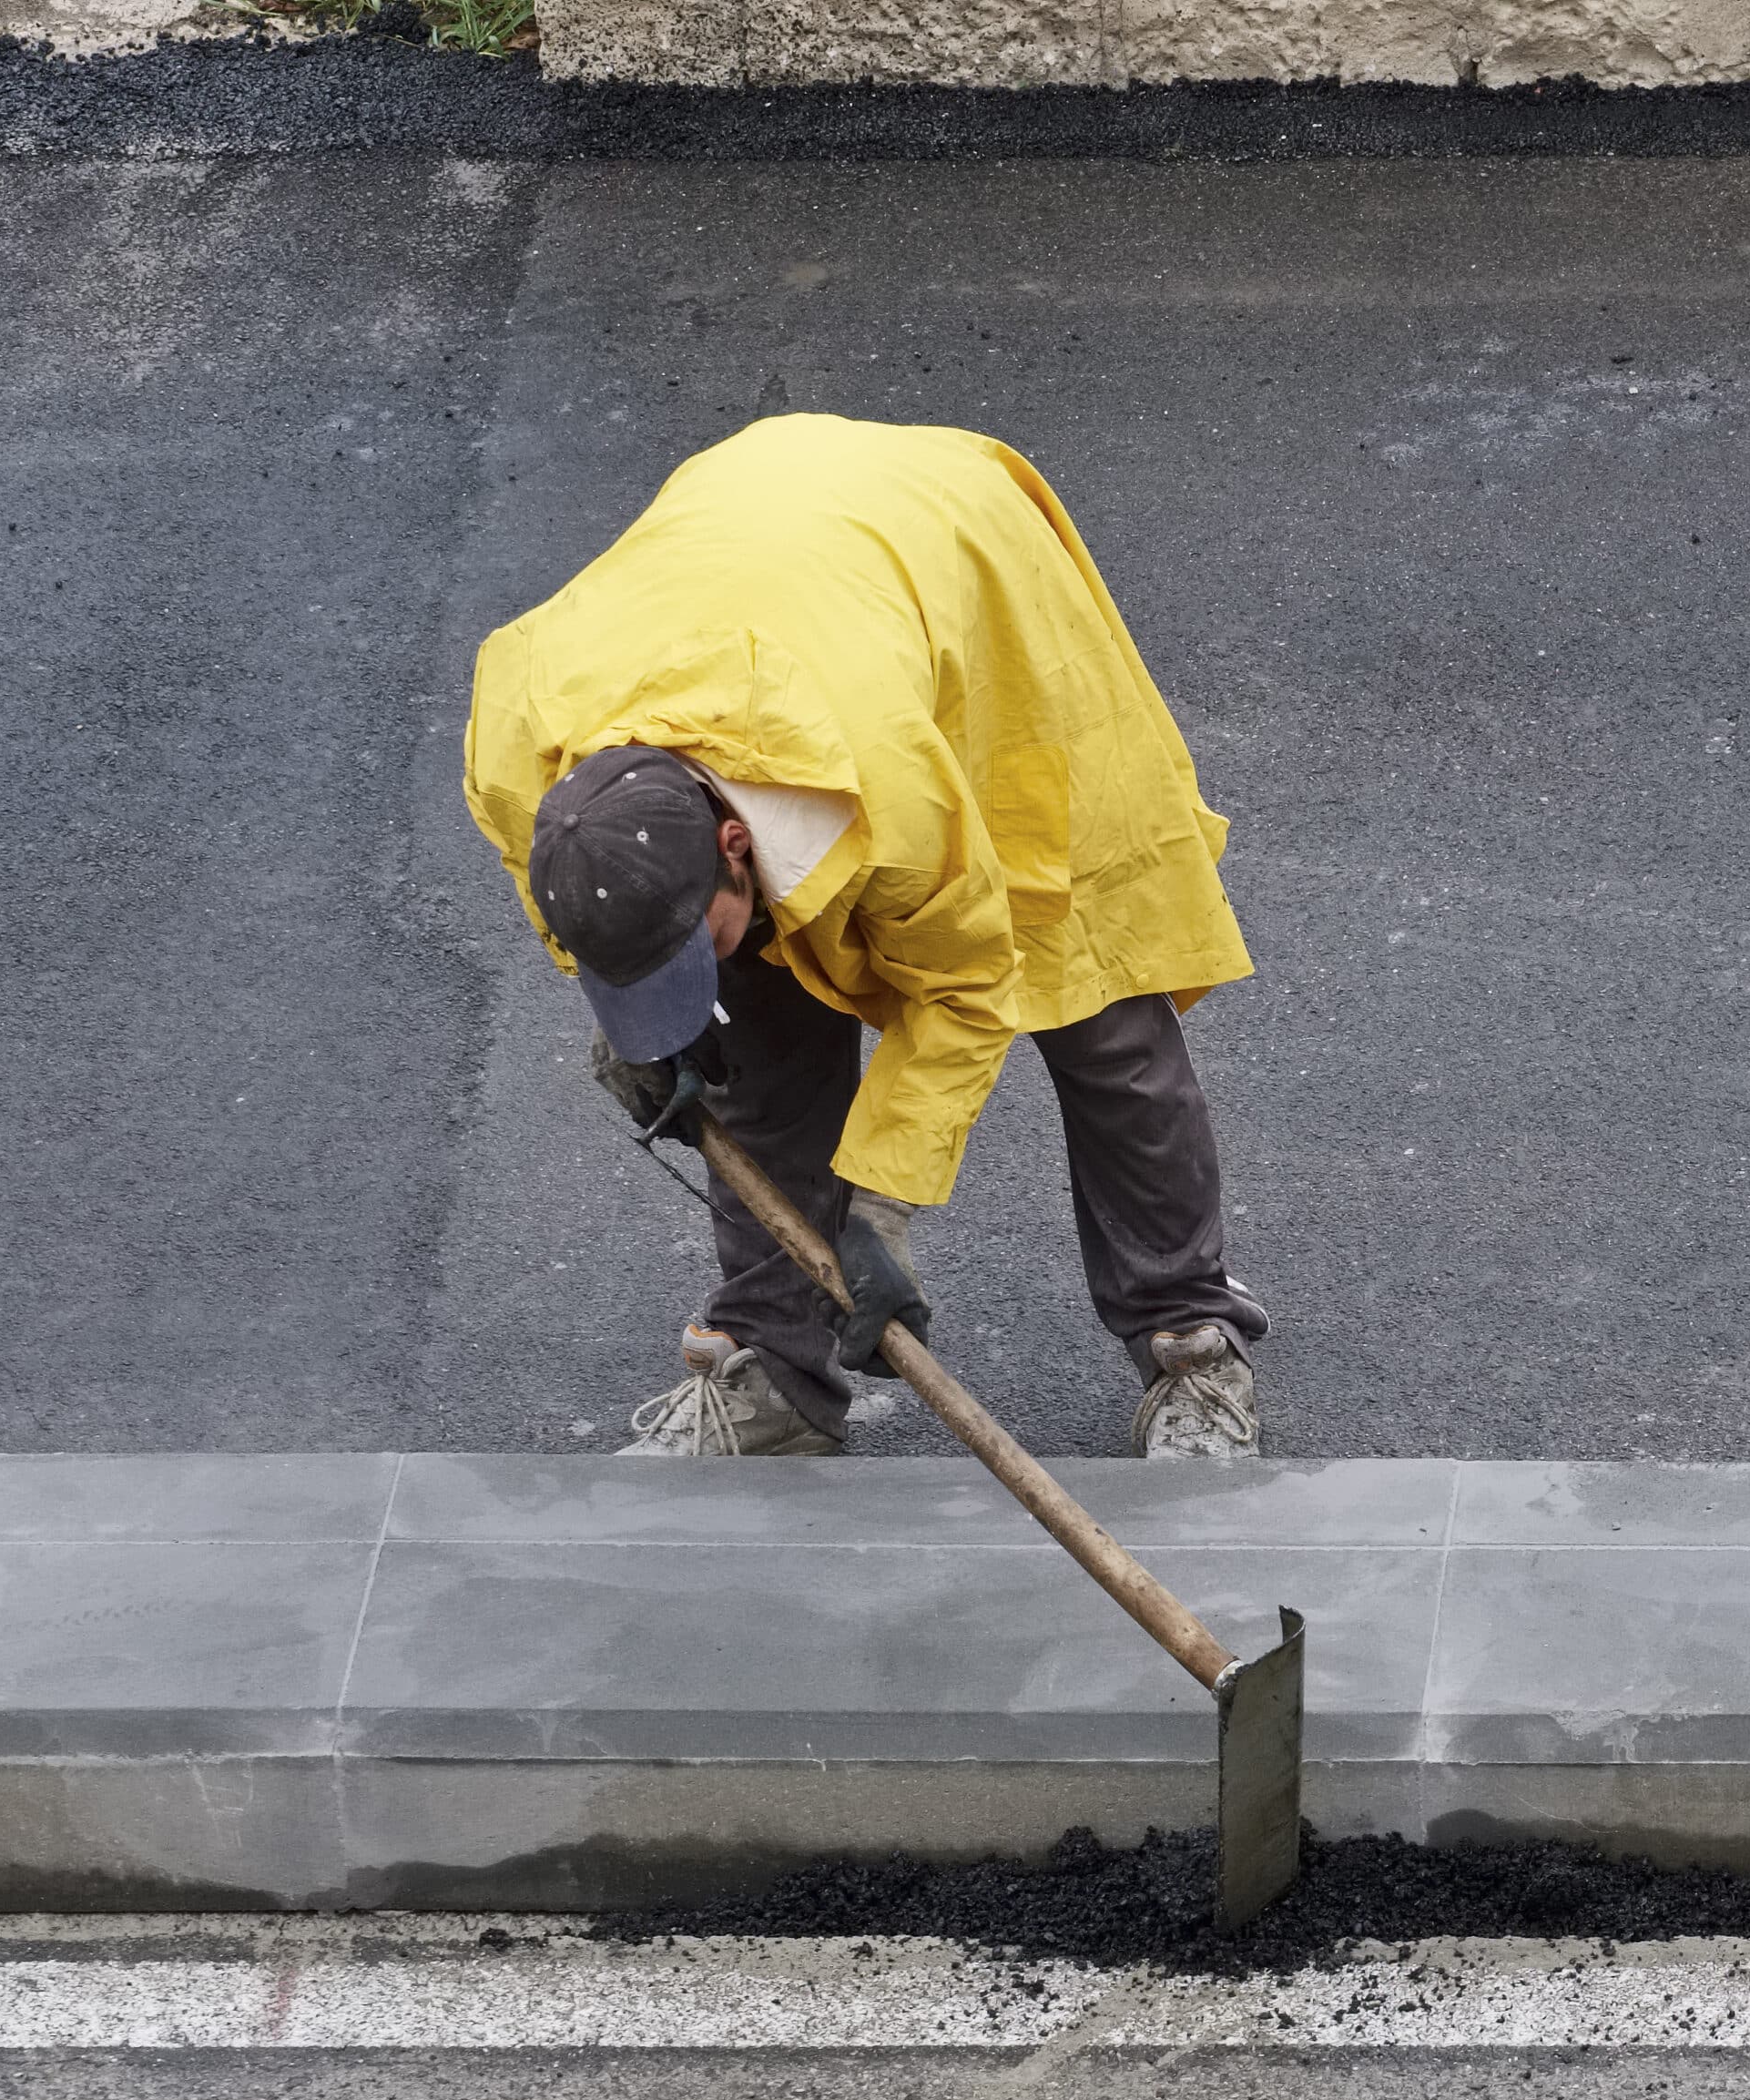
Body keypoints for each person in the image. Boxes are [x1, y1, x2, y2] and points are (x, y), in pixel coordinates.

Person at [464, 414, 1268, 1460]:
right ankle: (773, 1377)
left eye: (688, 936)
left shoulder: (890, 804)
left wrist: (878, 1210)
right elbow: (580, 900)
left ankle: (1190, 1340)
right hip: (752, 566)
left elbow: (968, 990)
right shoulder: (524, 764)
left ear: (731, 842)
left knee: (1093, 994)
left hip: (963, 581)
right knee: (749, 1032)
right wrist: (639, 1025)